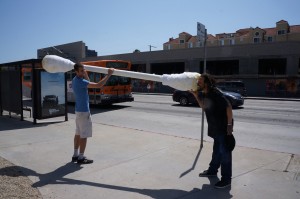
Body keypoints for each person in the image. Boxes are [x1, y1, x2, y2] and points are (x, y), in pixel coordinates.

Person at [189, 73, 234, 189]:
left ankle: (226, 180)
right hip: (215, 128)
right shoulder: (204, 93)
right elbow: (203, 106)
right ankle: (212, 170)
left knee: (225, 155)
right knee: (216, 152)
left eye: (200, 81)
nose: (198, 82)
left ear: (206, 83)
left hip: (223, 128)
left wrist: (229, 126)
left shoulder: (215, 93)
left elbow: (228, 107)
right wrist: (195, 95)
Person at [71, 63, 114, 164]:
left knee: (77, 133)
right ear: (76, 71)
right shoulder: (81, 82)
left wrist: (85, 74)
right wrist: (109, 74)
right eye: (81, 71)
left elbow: (88, 83)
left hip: (78, 111)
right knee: (83, 135)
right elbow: (98, 85)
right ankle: (81, 157)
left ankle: (75, 154)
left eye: (83, 70)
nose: (83, 72)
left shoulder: (75, 80)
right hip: (84, 111)